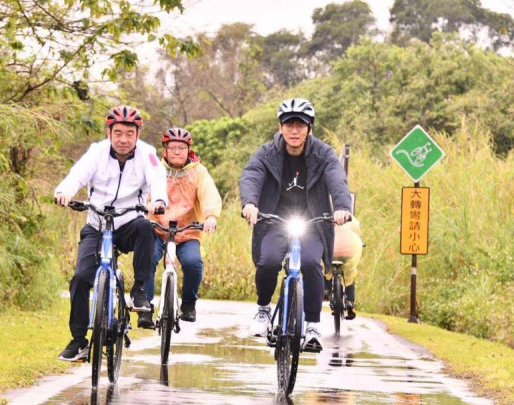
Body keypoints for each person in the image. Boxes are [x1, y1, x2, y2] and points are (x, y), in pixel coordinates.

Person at [54, 105, 167, 362]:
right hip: (97, 223)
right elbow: (77, 175)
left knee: (146, 228)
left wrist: (158, 200)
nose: (123, 139)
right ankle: (79, 341)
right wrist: (65, 191)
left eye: (129, 133)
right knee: (81, 279)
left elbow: (158, 179)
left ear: (138, 134)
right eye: (118, 133)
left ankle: (139, 290)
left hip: (128, 222)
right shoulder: (97, 152)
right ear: (109, 132)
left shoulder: (147, 154)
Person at [240, 97, 352, 351]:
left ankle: (312, 325)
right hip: (275, 220)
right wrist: (250, 204)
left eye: (300, 125)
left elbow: (336, 178)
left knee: (312, 263)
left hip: (312, 221)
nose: (294, 130)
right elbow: (252, 175)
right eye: (288, 124)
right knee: (268, 261)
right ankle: (262, 310)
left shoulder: (323, 153)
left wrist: (343, 207)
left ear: (309, 129)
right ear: (280, 127)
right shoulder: (267, 152)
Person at [143, 127, 222, 324]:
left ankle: (188, 304)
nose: (177, 152)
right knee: (149, 258)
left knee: (193, 263)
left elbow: (209, 193)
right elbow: (143, 193)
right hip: (157, 228)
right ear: (165, 151)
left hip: (188, 231)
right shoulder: (155, 169)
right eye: (173, 148)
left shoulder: (198, 172)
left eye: (181, 148)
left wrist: (210, 216)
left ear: (189, 151)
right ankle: (145, 305)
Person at [325, 214, 362, 319]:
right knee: (350, 271)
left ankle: (326, 290)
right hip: (348, 252)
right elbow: (357, 233)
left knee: (325, 265)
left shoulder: (325, 215)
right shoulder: (350, 218)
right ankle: (349, 300)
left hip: (331, 252)